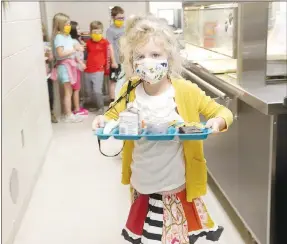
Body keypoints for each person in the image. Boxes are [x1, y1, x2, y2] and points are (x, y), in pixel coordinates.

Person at [92, 15, 233, 244]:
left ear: (169, 57)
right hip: (142, 183)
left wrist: (216, 123)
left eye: (155, 55)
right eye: (140, 56)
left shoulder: (185, 90)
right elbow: (111, 115)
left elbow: (222, 113)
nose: (148, 62)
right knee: (148, 237)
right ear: (132, 62)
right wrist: (102, 121)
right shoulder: (129, 90)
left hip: (175, 186)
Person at [51, 13, 84, 123]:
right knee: (67, 92)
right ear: (60, 24)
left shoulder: (67, 36)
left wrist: (77, 48)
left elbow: (72, 47)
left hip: (70, 65)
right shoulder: (58, 37)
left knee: (69, 91)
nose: (69, 26)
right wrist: (74, 49)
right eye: (67, 24)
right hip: (64, 66)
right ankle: (68, 114)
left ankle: (69, 113)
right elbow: (60, 53)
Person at [84, 21, 117, 114]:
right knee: (89, 91)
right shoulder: (88, 43)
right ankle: (95, 105)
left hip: (98, 70)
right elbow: (86, 55)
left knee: (97, 90)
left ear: (102, 32)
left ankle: (101, 107)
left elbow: (110, 51)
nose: (97, 34)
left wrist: (113, 62)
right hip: (87, 70)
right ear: (90, 32)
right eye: (94, 32)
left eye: (99, 32)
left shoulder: (104, 42)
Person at [106, 6, 125, 103]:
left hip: (124, 61)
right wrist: (113, 61)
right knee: (113, 81)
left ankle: (121, 101)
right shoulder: (110, 30)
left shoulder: (125, 28)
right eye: (119, 18)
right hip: (115, 61)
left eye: (123, 18)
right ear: (113, 18)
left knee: (123, 81)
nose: (121, 20)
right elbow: (110, 47)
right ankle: (112, 102)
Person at [70, 21, 88, 116]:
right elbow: (76, 54)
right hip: (76, 67)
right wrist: (81, 63)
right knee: (76, 88)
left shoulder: (76, 40)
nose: (79, 30)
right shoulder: (73, 42)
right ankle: (76, 109)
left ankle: (77, 107)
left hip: (76, 67)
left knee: (77, 88)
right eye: (78, 29)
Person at [42, 23, 58, 123]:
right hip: (39, 75)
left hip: (47, 74)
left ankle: (51, 112)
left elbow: (51, 58)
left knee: (50, 95)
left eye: (42, 31)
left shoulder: (46, 44)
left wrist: (48, 55)